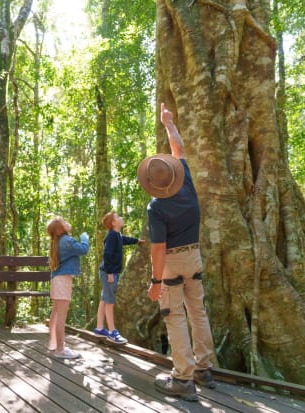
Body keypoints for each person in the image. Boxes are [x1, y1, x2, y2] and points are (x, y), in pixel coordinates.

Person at [137, 103, 216, 402]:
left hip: (170, 262)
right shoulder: (187, 183)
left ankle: (183, 377)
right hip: (194, 255)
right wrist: (168, 123)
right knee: (198, 310)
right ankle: (204, 369)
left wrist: (156, 281)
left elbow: (158, 248)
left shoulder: (156, 207)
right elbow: (179, 148)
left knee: (174, 316)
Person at [93, 211, 144, 344]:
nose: (121, 217)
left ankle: (99, 328)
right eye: (118, 217)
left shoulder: (117, 235)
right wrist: (110, 273)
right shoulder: (112, 236)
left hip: (107, 272)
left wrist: (137, 240)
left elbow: (124, 240)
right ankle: (112, 332)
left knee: (104, 300)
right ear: (114, 223)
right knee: (110, 303)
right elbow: (107, 254)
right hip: (109, 273)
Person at [47, 216, 89, 359]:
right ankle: (60, 350)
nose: (67, 222)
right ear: (60, 229)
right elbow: (83, 249)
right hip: (63, 281)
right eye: (64, 222)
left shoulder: (58, 242)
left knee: (55, 313)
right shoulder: (67, 241)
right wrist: (85, 238)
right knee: (61, 316)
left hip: (56, 280)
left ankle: (54, 344)